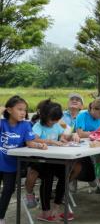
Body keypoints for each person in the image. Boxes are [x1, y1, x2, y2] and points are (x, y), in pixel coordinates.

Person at [29, 100, 80, 222]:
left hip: (55, 158)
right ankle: (45, 212)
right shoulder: (38, 126)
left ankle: (56, 208)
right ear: (45, 117)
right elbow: (33, 139)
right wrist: (52, 141)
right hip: (40, 160)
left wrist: (68, 136)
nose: (55, 123)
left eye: (57, 120)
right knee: (48, 176)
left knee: (64, 174)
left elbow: (64, 133)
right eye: (53, 120)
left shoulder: (56, 124)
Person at [1, 96, 46, 224]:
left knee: (8, 190)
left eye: (24, 110)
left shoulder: (26, 125)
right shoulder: (2, 123)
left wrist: (39, 145)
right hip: (0, 160)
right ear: (9, 110)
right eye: (19, 109)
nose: (23, 113)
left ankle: (1, 217)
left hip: (12, 165)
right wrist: (2, 109)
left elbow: (30, 142)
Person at [74, 97, 100, 194]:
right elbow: (80, 133)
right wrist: (97, 133)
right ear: (93, 108)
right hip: (81, 147)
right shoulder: (82, 116)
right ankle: (98, 182)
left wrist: (98, 133)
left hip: (95, 146)